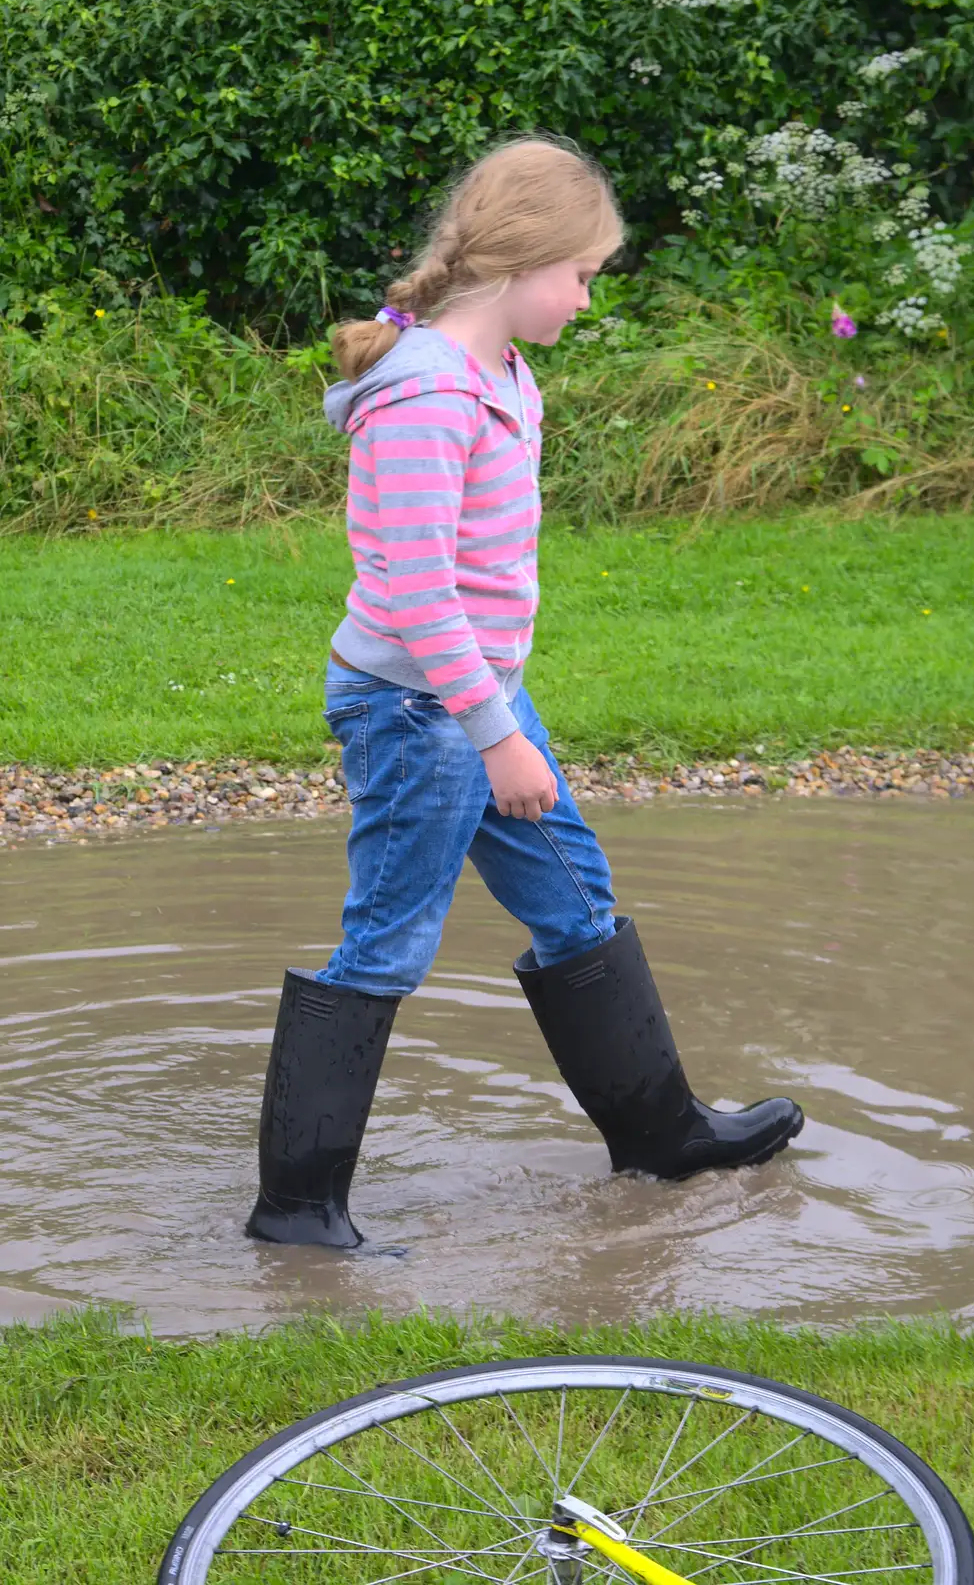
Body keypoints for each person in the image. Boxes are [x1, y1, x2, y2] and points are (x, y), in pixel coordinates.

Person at [245, 134, 804, 1249]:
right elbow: (414, 590)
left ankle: (661, 1134)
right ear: (517, 260)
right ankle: (298, 1208)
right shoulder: (424, 397)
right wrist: (498, 736)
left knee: (572, 900)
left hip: (477, 698)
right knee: (386, 940)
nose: (588, 300)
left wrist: (496, 717)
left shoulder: (503, 373)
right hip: (417, 709)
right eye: (583, 274)